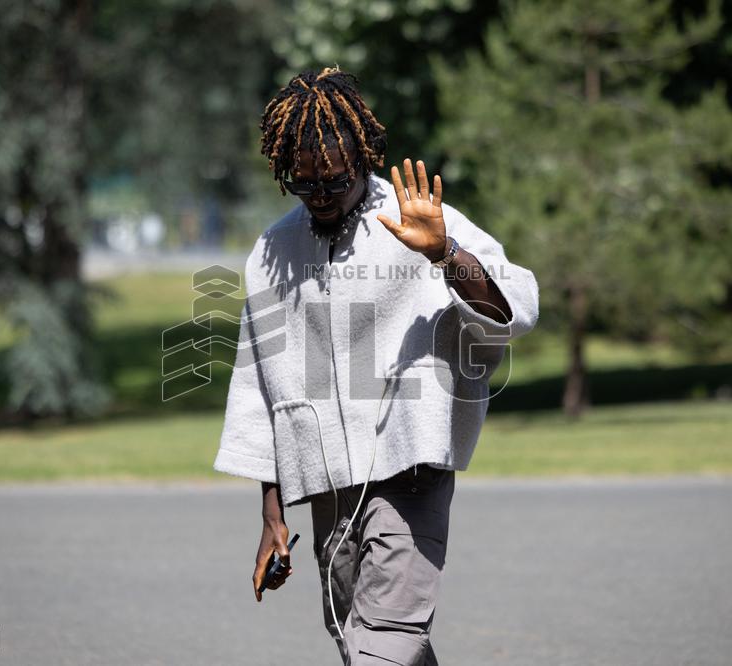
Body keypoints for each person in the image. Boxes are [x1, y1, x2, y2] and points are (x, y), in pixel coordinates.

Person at [213, 67, 539, 665]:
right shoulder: (273, 252)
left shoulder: (418, 217)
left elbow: (513, 308)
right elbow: (262, 384)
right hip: (327, 485)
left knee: (383, 640)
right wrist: (271, 513)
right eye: (303, 182)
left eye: (334, 180)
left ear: (362, 158)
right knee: (356, 634)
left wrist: (446, 253)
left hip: (411, 467)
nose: (320, 195)